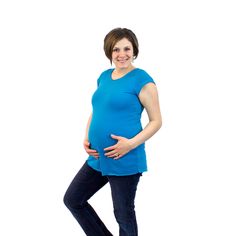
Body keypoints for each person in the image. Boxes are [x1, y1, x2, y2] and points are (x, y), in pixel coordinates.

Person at [63, 27, 162, 236]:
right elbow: (97, 109)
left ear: (134, 50)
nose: (122, 54)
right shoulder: (104, 77)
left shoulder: (143, 80)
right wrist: (87, 135)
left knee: (123, 214)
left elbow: (156, 121)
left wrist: (130, 144)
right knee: (73, 199)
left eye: (127, 48)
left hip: (125, 157)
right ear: (109, 52)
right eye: (116, 49)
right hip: (98, 157)